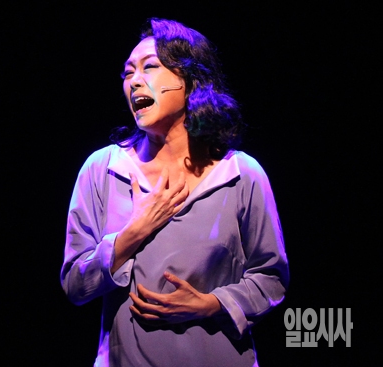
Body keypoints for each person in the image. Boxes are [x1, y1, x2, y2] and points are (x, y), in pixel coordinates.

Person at [60, 18, 289, 366]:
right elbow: (75, 284)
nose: (134, 80)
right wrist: (134, 232)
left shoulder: (241, 174)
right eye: (128, 73)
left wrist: (212, 304)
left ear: (189, 79)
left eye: (150, 67)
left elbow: (271, 278)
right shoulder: (102, 169)